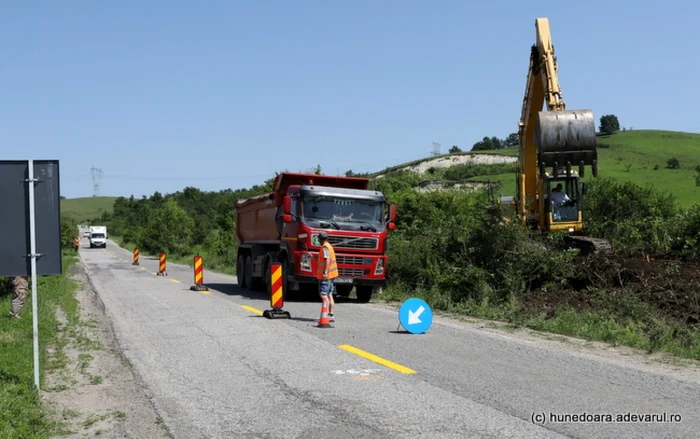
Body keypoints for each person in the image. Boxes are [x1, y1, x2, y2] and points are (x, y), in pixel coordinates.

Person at [316, 231, 338, 321]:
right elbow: (323, 260)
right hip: (332, 275)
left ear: (320, 239)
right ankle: (331, 315)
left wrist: (325, 272)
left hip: (326, 276)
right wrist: (313, 258)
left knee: (323, 294)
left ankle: (325, 315)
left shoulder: (325, 247)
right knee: (329, 294)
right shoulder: (329, 246)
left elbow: (327, 260)